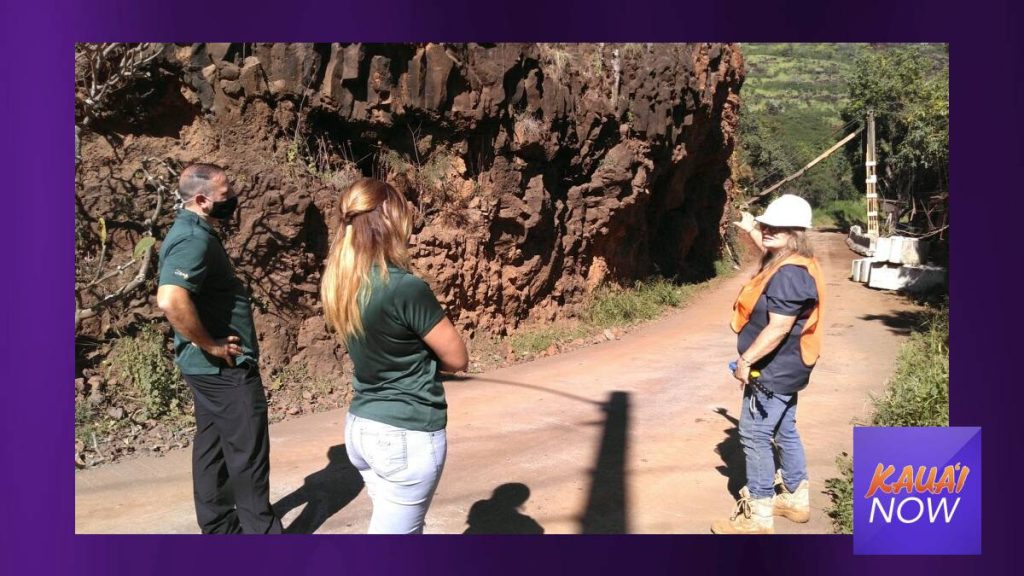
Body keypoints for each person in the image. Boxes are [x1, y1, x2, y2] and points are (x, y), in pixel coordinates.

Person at [320, 178, 468, 534]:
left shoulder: (341, 282)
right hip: (405, 433)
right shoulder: (405, 287)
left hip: (362, 428)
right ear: (388, 218)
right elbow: (457, 358)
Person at [156, 163, 282, 534]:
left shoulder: (191, 231)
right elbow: (170, 298)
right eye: (225, 195)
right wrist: (210, 343)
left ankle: (220, 531)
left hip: (206, 371)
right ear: (201, 200)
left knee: (211, 449)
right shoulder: (192, 239)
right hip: (225, 370)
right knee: (248, 457)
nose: (233, 199)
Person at [711, 194, 825, 534]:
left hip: (773, 368)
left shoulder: (789, 274)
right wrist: (750, 229)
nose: (767, 230)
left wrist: (746, 360)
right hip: (791, 366)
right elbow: (770, 243)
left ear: (797, 232)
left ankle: (757, 514)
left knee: (754, 433)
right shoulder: (795, 259)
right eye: (766, 224)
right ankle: (794, 498)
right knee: (784, 429)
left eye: (777, 226)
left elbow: (779, 327)